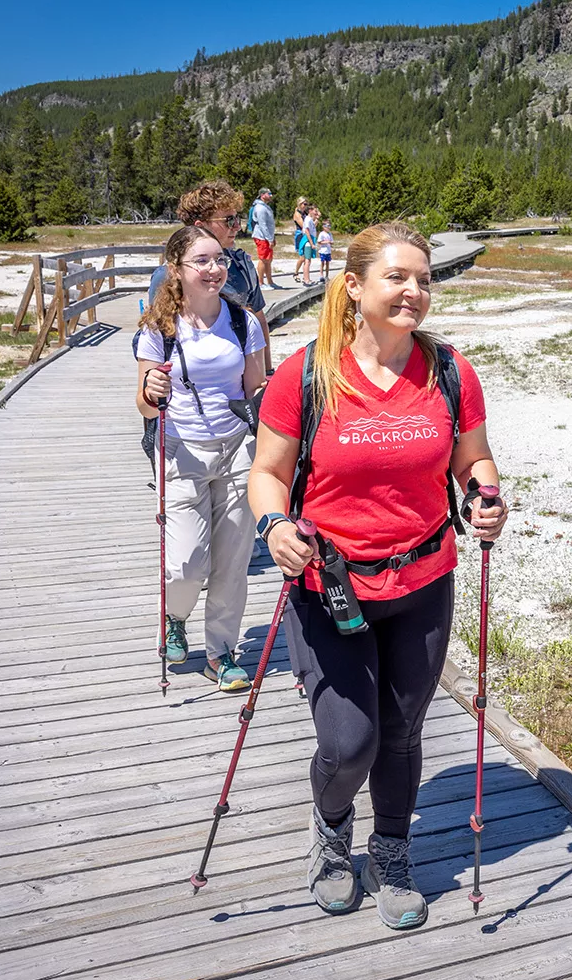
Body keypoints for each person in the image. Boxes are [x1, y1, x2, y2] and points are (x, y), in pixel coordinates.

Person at [248, 221, 508, 930]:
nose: (415, 292)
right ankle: (332, 828)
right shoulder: (306, 373)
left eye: (423, 279)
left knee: (401, 731)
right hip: (329, 585)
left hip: (423, 579)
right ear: (354, 286)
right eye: (398, 277)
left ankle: (391, 848)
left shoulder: (450, 370)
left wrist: (484, 497)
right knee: (349, 740)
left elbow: (471, 460)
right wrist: (275, 527)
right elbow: (268, 474)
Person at [136, 225, 269, 692]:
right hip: (181, 451)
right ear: (177, 269)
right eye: (203, 262)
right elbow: (144, 403)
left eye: (221, 261)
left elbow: (255, 388)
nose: (216, 270)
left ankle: (221, 652)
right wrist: (153, 391)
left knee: (233, 560)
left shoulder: (242, 322)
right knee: (188, 561)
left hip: (237, 450)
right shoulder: (159, 328)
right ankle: (175, 617)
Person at [150, 180, 271, 374]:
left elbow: (260, 321)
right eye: (229, 220)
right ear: (201, 226)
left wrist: (268, 372)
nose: (237, 227)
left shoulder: (243, 267)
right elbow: (157, 337)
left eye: (237, 218)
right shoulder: (166, 276)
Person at [251, 188, 279, 291]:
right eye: (269, 193)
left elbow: (270, 224)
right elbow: (263, 225)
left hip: (267, 237)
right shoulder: (260, 208)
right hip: (261, 237)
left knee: (268, 260)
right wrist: (269, 238)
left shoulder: (265, 207)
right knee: (263, 259)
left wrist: (272, 237)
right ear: (262, 195)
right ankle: (260, 282)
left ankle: (270, 282)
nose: (271, 196)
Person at [302, 207, 321, 286]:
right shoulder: (307, 219)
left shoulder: (310, 220)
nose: (316, 212)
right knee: (307, 261)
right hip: (308, 242)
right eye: (315, 211)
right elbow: (307, 231)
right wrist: (311, 243)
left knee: (308, 260)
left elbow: (314, 226)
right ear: (310, 211)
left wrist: (317, 217)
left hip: (311, 241)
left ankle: (306, 278)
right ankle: (306, 280)